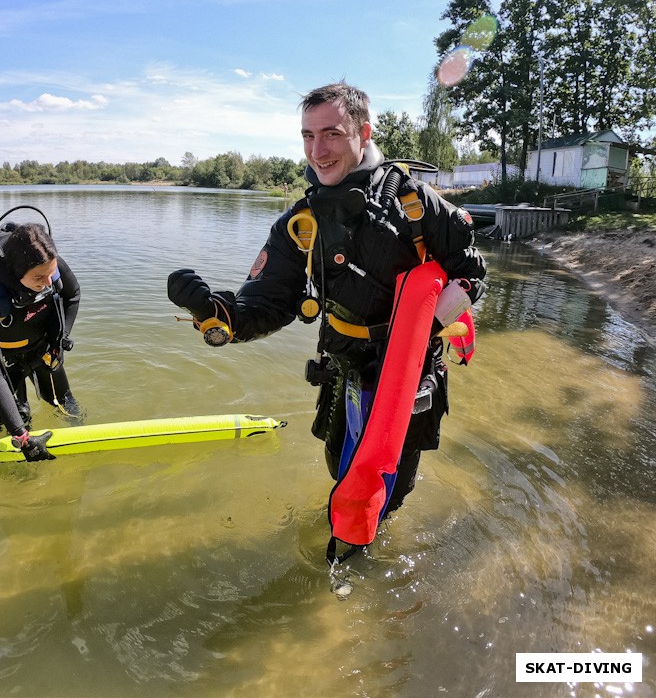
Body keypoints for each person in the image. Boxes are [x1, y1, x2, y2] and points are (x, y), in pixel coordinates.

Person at [167, 81, 487, 524]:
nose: (318, 150)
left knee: (390, 494)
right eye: (308, 136)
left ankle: (367, 554)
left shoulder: (415, 204)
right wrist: (219, 317)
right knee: (340, 469)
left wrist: (421, 330)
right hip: (342, 366)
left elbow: (471, 273)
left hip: (407, 375)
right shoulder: (300, 222)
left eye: (332, 133)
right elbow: (269, 302)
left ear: (364, 133)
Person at [0, 222, 82, 461]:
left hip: (45, 349)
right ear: (16, 274)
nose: (49, 282)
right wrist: (23, 437)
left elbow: (73, 294)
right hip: (7, 362)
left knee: (68, 407)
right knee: (20, 420)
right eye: (39, 277)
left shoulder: (50, 266)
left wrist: (62, 337)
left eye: (51, 273)